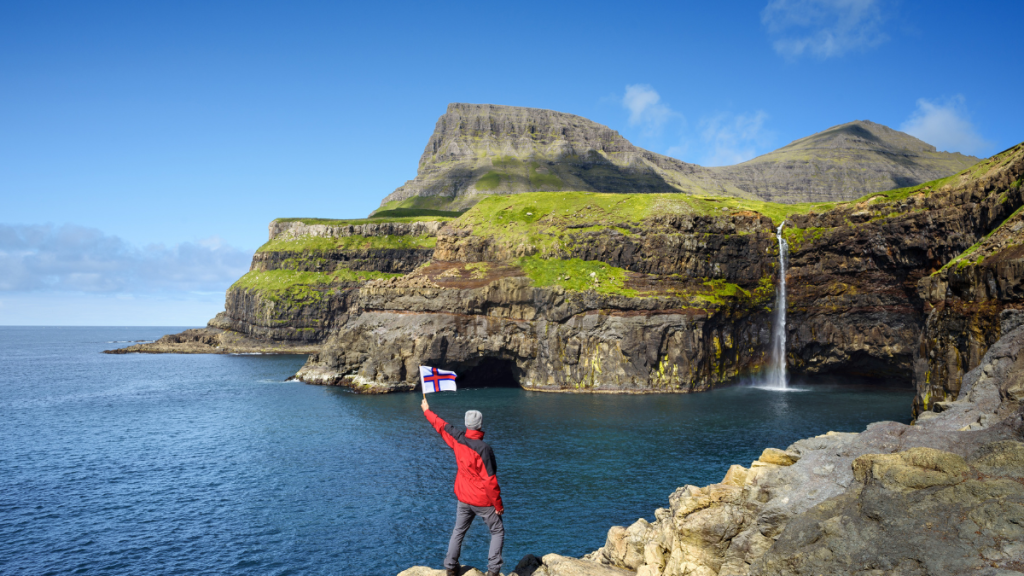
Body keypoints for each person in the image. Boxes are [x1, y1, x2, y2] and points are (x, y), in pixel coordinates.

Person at [421, 397, 504, 576]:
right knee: (497, 531)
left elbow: (441, 426)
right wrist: (498, 505)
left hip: (463, 497)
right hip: (483, 500)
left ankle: (450, 567)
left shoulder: (458, 439)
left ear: (467, 424)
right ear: (480, 425)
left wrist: (427, 411)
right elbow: (490, 481)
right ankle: (493, 571)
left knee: (458, 531)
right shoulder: (484, 449)